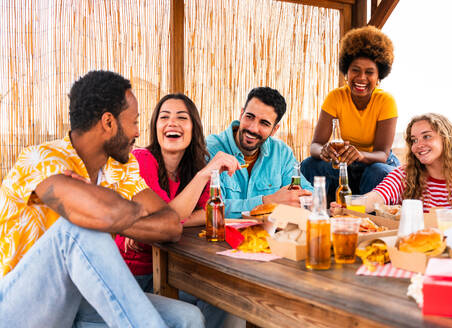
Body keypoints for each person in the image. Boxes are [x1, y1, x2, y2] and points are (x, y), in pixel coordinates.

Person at [0, 70, 205, 328]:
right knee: (74, 230)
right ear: (108, 123)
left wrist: (102, 205)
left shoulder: (122, 168)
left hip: (76, 301)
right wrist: (119, 212)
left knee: (188, 318)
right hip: (17, 306)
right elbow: (100, 217)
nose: (138, 133)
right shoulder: (41, 160)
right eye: (133, 122)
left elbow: (171, 225)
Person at [116, 93, 239, 328]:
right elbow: (169, 216)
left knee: (224, 297)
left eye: (182, 117)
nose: (172, 123)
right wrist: (205, 175)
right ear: (156, 127)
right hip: (134, 276)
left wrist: (173, 221)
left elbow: (210, 214)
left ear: (193, 128)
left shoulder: (194, 167)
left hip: (176, 270)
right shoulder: (141, 159)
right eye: (164, 117)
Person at [301, 25, 400, 202]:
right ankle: (315, 216)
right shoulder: (336, 97)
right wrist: (324, 151)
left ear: (379, 76)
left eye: (369, 72)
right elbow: (315, 145)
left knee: (379, 172)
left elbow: (382, 154)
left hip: (375, 163)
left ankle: (370, 222)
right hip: (344, 165)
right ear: (346, 71)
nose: (361, 78)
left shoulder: (386, 102)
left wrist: (360, 155)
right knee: (309, 165)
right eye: (355, 70)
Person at [331, 113, 452, 214]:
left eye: (427, 136)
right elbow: (376, 198)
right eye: (414, 140)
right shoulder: (405, 175)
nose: (418, 145)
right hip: (418, 253)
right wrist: (346, 207)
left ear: (446, 139)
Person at [206, 86, 313, 218]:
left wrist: (311, 202)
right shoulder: (211, 149)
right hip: (223, 236)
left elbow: (307, 193)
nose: (253, 128)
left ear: (274, 130)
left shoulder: (282, 153)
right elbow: (208, 208)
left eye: (264, 123)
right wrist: (267, 202)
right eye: (249, 117)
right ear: (241, 115)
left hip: (270, 236)